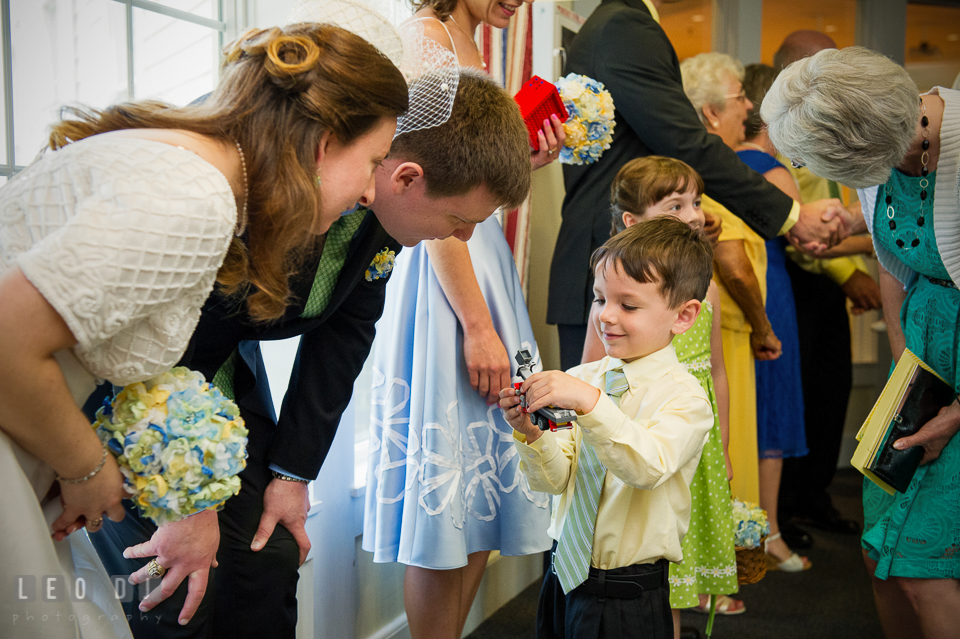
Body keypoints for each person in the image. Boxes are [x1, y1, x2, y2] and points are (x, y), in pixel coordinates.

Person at [89, 65, 533, 638]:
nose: (464, 238)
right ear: (405, 179)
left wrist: (292, 473)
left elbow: (343, 339)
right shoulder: (239, 195)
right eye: (459, 219)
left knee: (268, 559)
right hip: (134, 387)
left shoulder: (381, 220)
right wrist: (188, 503)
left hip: (222, 378)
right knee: (180, 588)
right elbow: (164, 350)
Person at [0, 22, 409, 639]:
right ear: (325, 144)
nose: (372, 189)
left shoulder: (201, 171)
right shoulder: (197, 197)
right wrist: (88, 471)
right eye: (373, 161)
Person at [361, 2, 566, 638]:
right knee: (446, 489)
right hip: (446, 273)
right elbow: (431, 196)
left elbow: (465, 175)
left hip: (485, 258)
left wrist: (517, 165)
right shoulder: (424, 43)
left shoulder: (472, 46)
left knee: (488, 484)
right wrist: (478, 327)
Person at [763, 46, 960, 639]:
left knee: (926, 566)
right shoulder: (882, 154)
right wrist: (907, 371)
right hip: (927, 361)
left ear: (867, 147)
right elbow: (893, 267)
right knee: (880, 554)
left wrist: (955, 412)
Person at [547, 0, 853, 372]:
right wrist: (791, 215)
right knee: (604, 412)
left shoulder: (615, 24)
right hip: (616, 269)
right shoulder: (624, 26)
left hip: (631, 264)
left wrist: (684, 217)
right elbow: (684, 140)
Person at [500, 216, 715, 639]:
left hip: (628, 597)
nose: (606, 316)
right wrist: (533, 434)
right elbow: (557, 482)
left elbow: (647, 467)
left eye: (628, 305)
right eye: (600, 299)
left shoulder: (685, 399)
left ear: (684, 316)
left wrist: (590, 403)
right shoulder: (586, 376)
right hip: (563, 578)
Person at [581, 157, 742, 634]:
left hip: (692, 436)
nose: (692, 214)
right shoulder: (615, 296)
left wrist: (725, 445)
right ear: (632, 221)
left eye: (696, 201)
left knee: (681, 556)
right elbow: (592, 371)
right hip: (638, 433)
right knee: (652, 560)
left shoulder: (704, 287)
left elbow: (715, 369)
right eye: (676, 205)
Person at [771, 31, 881, 545]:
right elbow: (795, 229)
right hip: (798, 279)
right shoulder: (783, 133)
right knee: (802, 394)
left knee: (830, 391)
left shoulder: (830, 125)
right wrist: (853, 272)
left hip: (829, 276)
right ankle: (787, 508)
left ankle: (815, 497)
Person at [680, 52, 777, 508]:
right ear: (712, 112)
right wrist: (763, 325)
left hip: (719, 326)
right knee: (726, 447)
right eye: (741, 97)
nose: (750, 106)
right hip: (728, 331)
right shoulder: (713, 171)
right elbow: (734, 265)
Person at [734, 63, 811, 572]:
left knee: (739, 410)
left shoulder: (719, 161)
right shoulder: (774, 171)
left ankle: (738, 534)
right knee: (772, 412)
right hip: (769, 292)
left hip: (731, 298)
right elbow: (805, 242)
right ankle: (769, 535)